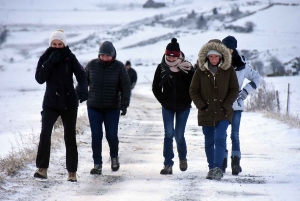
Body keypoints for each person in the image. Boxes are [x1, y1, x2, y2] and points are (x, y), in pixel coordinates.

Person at [34, 30, 88, 182]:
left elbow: (81, 75)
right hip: (51, 103)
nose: (57, 47)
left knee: (70, 136)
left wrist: (83, 90)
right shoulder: (45, 57)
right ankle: (42, 169)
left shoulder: (70, 57)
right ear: (50, 44)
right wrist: (50, 62)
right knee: (45, 133)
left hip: (69, 102)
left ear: (64, 44)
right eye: (54, 44)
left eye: (60, 44)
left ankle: (72, 172)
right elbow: (39, 78)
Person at [189, 40, 239, 180]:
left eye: (216, 56)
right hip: (206, 112)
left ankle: (218, 167)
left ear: (222, 56)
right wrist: (202, 106)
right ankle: (211, 168)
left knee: (219, 137)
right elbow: (193, 91)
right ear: (206, 57)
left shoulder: (229, 71)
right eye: (211, 57)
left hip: (224, 112)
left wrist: (226, 105)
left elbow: (234, 90)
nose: (213, 59)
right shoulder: (200, 72)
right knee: (209, 140)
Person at [85, 41, 131, 175]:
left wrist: (124, 105)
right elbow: (83, 82)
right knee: (96, 136)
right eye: (102, 55)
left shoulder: (119, 67)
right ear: (99, 55)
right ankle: (97, 164)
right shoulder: (91, 65)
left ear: (113, 55)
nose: (105, 58)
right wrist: (78, 96)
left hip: (112, 108)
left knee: (111, 135)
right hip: (94, 107)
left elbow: (125, 87)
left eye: (108, 55)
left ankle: (114, 157)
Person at [152, 38, 194, 175]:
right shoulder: (161, 67)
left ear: (178, 55)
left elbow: (194, 88)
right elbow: (155, 87)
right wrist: (163, 100)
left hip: (183, 107)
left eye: (173, 56)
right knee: (168, 134)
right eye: (168, 55)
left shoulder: (187, 68)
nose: (170, 58)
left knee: (179, 135)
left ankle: (182, 158)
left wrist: (188, 100)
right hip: (168, 106)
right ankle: (168, 164)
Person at [221, 35, 261, 175]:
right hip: (222, 105)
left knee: (235, 135)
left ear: (233, 49)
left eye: (230, 48)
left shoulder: (242, 65)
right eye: (225, 48)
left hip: (236, 104)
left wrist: (245, 91)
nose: (227, 51)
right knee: (221, 134)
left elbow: (257, 78)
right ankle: (222, 161)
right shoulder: (218, 62)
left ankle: (236, 163)